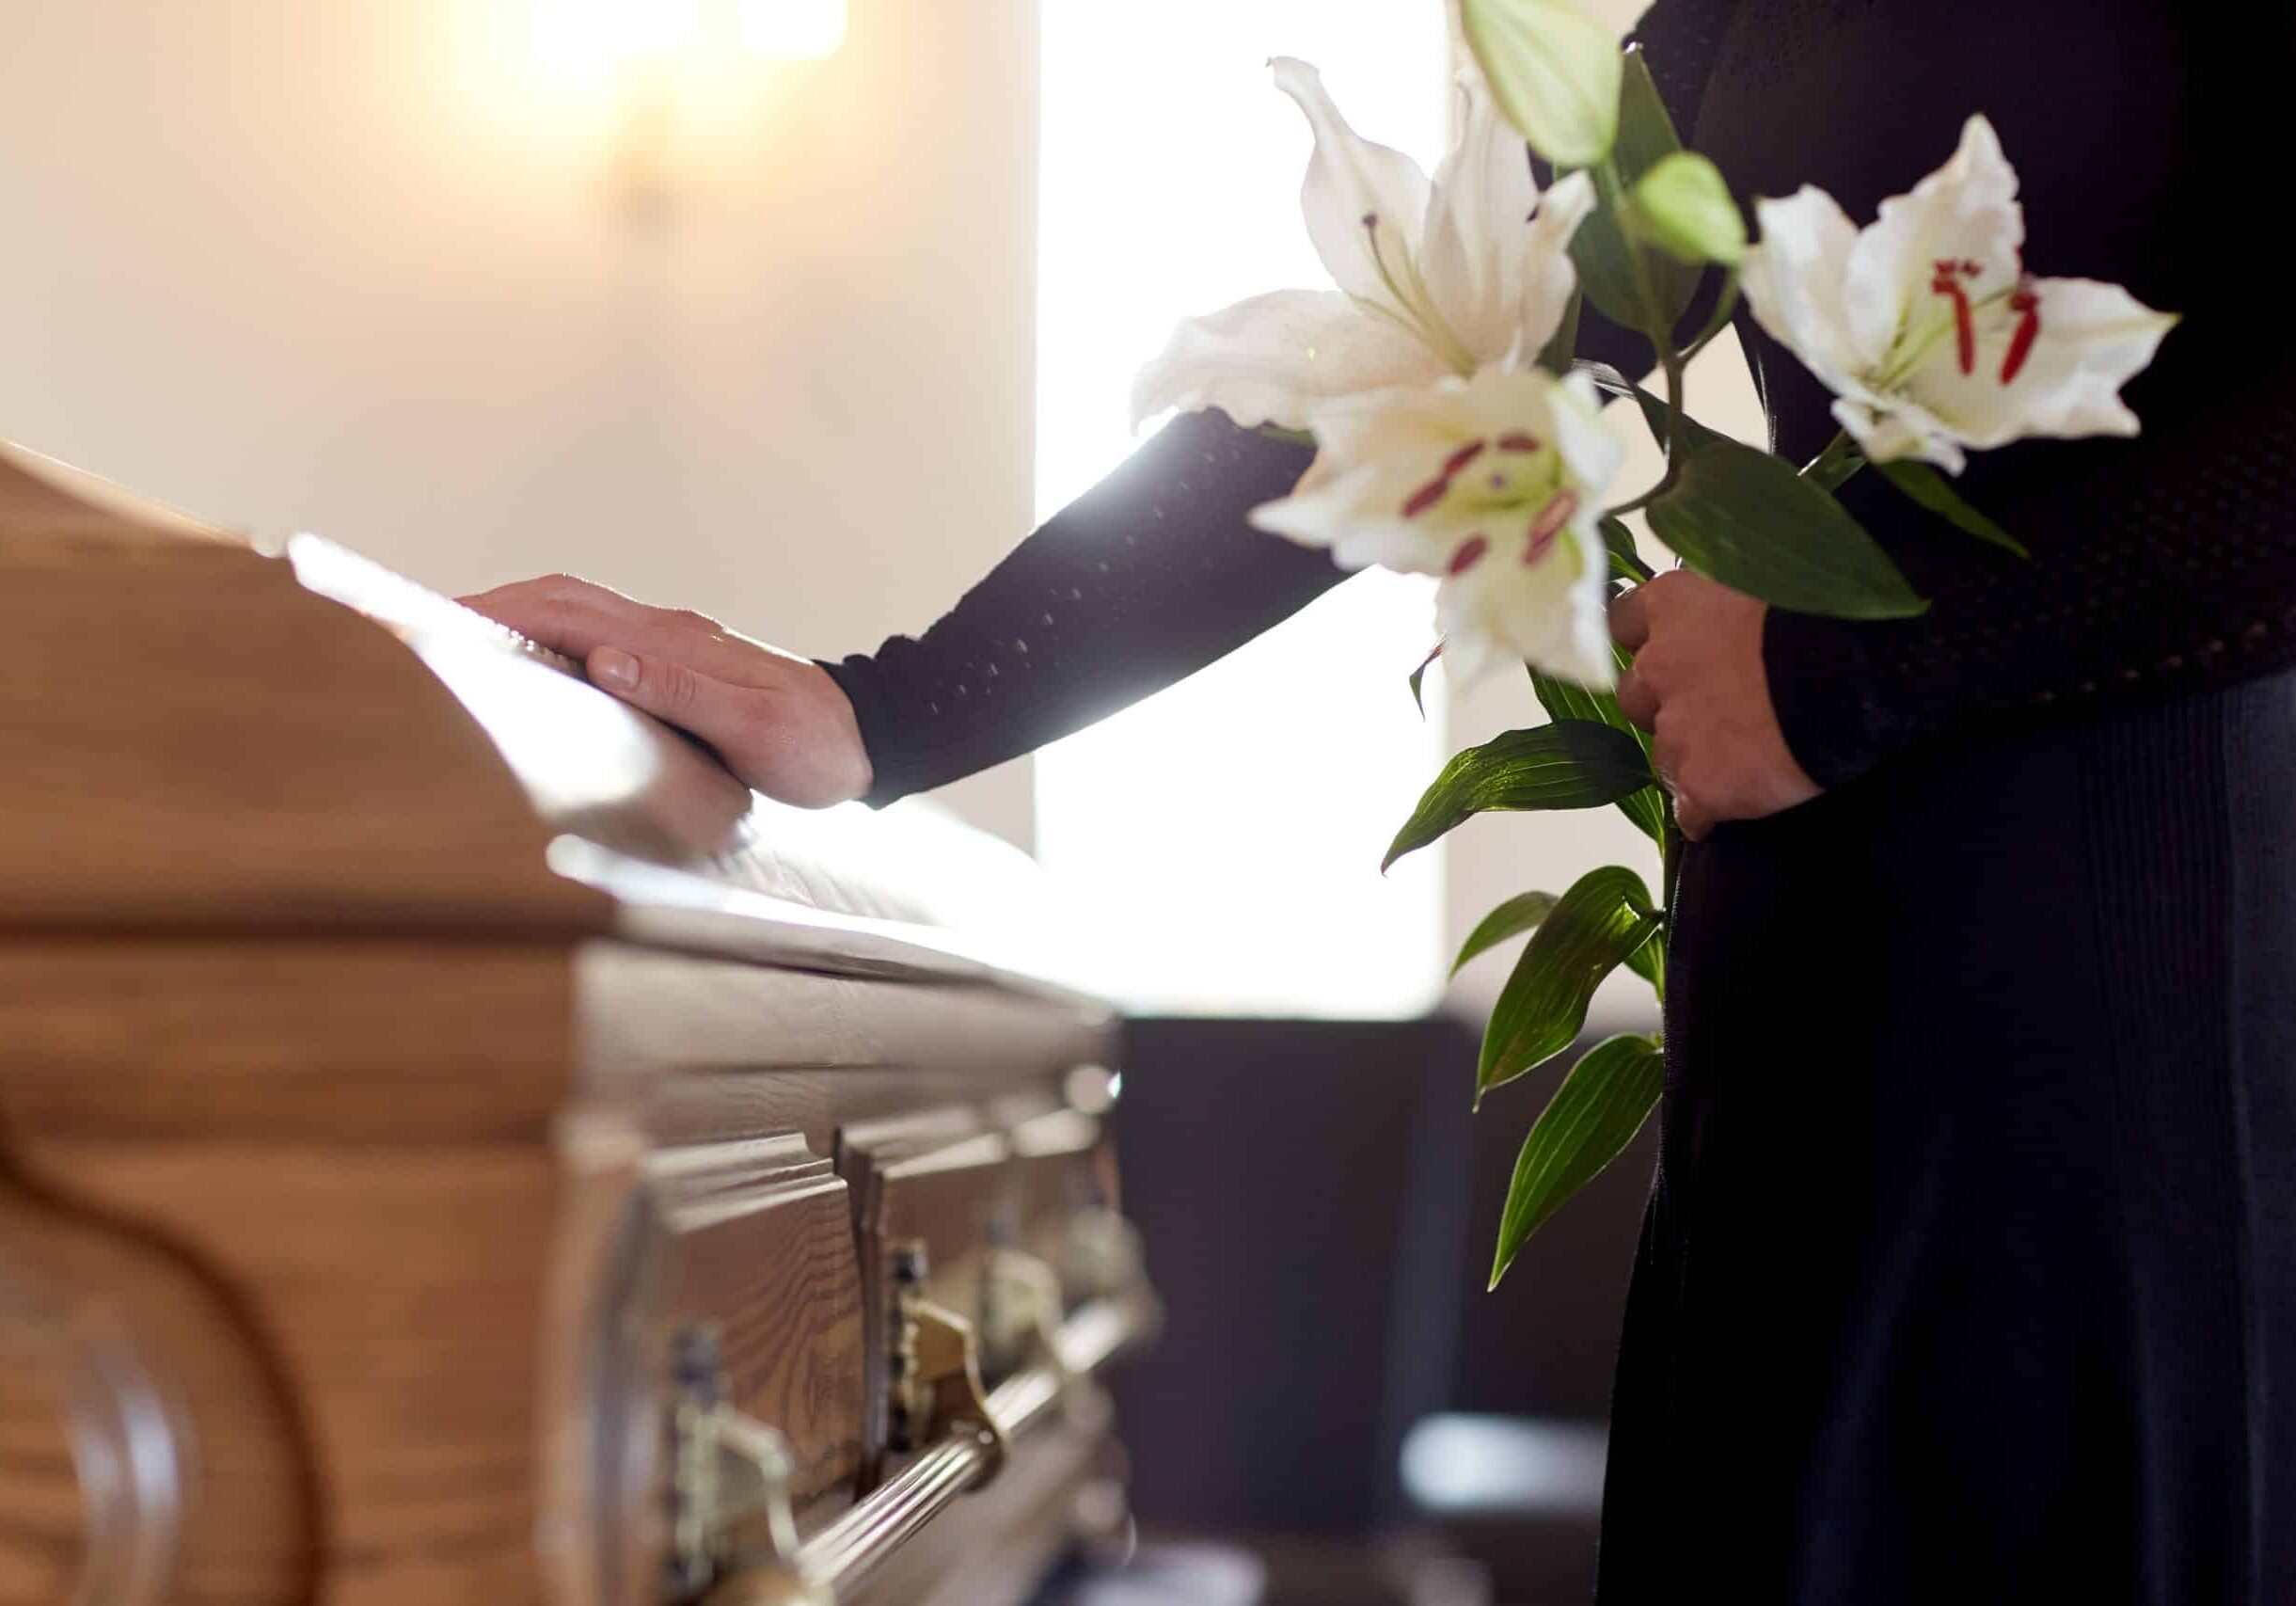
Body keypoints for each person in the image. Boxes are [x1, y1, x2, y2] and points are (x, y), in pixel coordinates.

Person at [466, 1, 2296, 1598]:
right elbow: (1431, 358)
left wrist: (1847, 665)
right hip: (1820, 1061)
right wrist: (885, 706)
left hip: (2148, 1075)